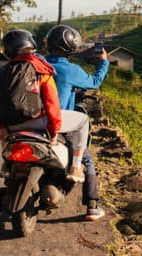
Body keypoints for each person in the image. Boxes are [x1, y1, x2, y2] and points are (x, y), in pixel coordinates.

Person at [0, 29, 90, 217]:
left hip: (12, 128)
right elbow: (52, 103)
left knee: (8, 143)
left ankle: (7, 165)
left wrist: (0, 128)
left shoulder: (0, 73)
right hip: (39, 123)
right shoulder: (41, 69)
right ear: (30, 46)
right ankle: (76, 166)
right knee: (83, 120)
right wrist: (54, 131)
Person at [44, 24, 110, 222]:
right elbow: (95, 82)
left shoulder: (38, 63)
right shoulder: (70, 70)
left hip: (34, 121)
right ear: (71, 47)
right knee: (86, 159)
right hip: (60, 122)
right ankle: (92, 206)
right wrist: (103, 62)